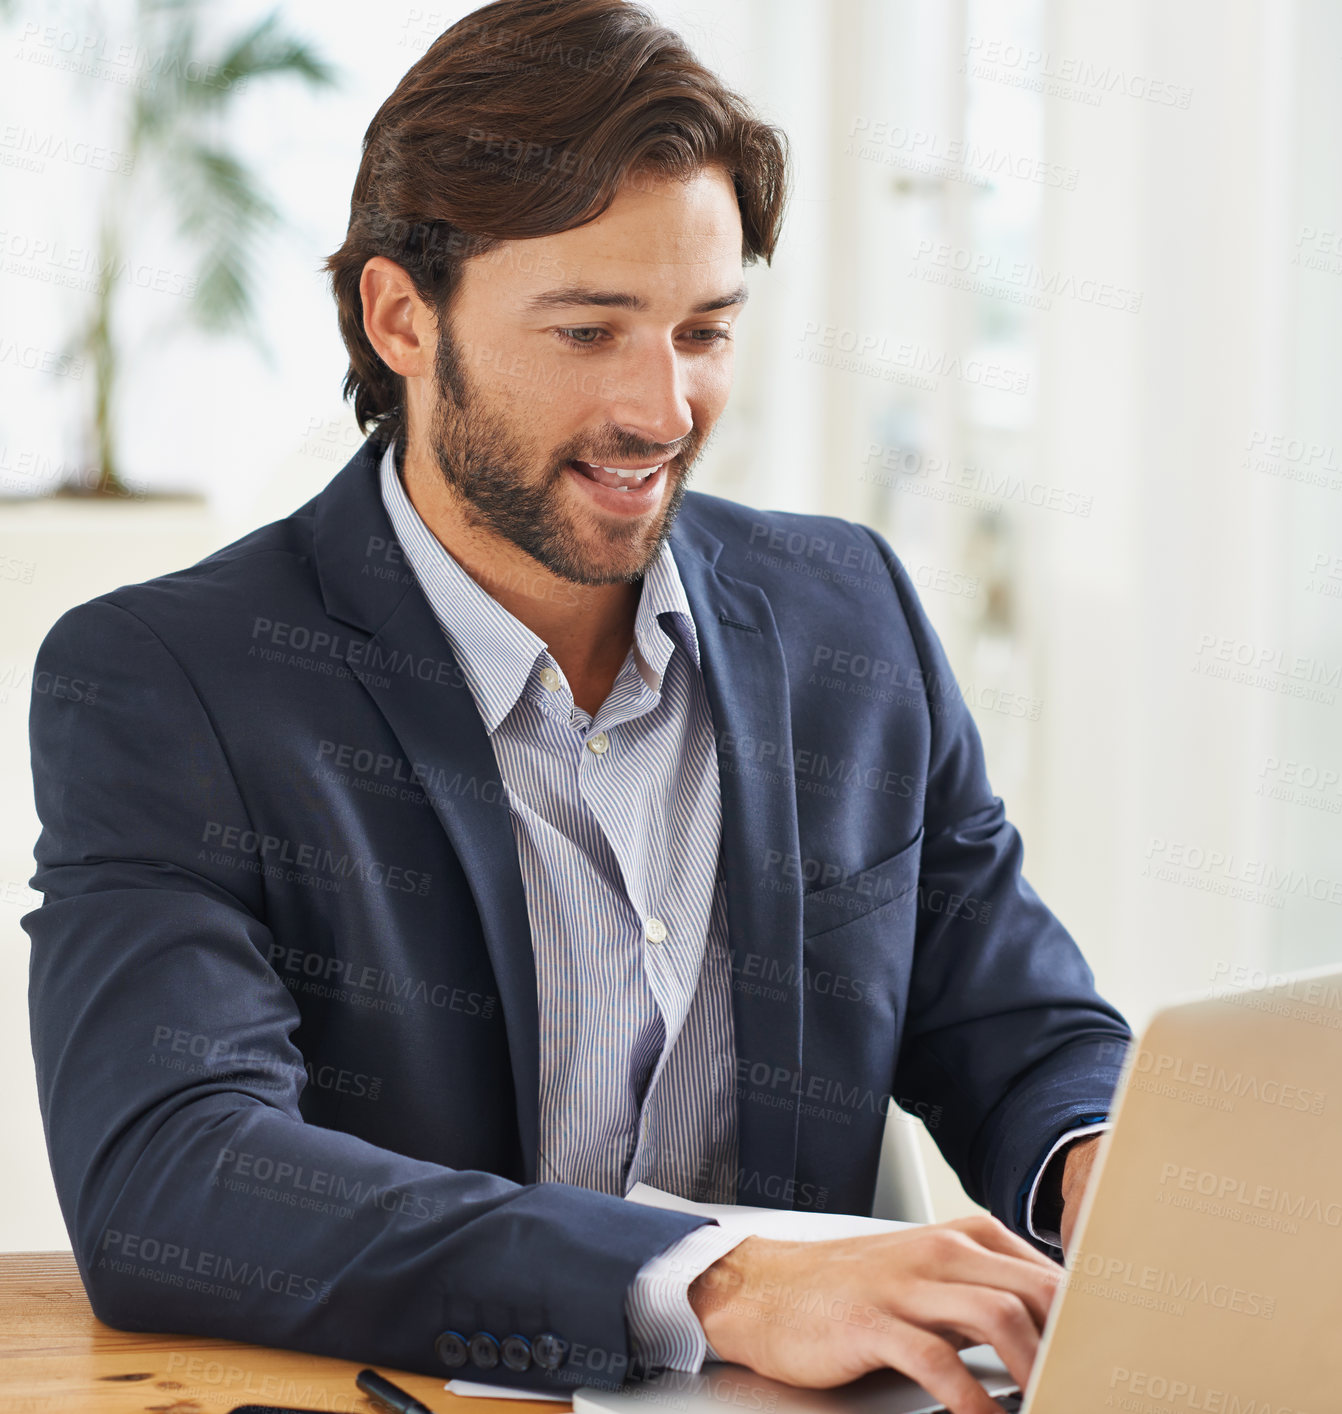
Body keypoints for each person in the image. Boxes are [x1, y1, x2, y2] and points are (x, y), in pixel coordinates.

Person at [24, 3, 1130, 1411]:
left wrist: (1114, 1180)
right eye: (588, 329)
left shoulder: (843, 613)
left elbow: (1020, 1029)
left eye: (702, 330)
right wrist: (713, 1279)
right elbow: (174, 1166)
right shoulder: (171, 678)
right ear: (399, 315)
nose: (659, 406)